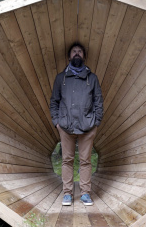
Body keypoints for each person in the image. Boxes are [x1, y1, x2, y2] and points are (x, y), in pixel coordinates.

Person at [49, 43, 103, 206]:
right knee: (67, 160)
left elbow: (98, 101)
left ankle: (85, 193)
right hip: (66, 126)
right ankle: (67, 194)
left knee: (86, 160)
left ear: (84, 56)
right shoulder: (61, 78)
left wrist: (96, 122)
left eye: (80, 51)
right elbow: (54, 101)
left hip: (87, 126)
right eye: (74, 52)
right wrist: (57, 122)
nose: (77, 54)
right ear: (69, 57)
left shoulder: (92, 78)